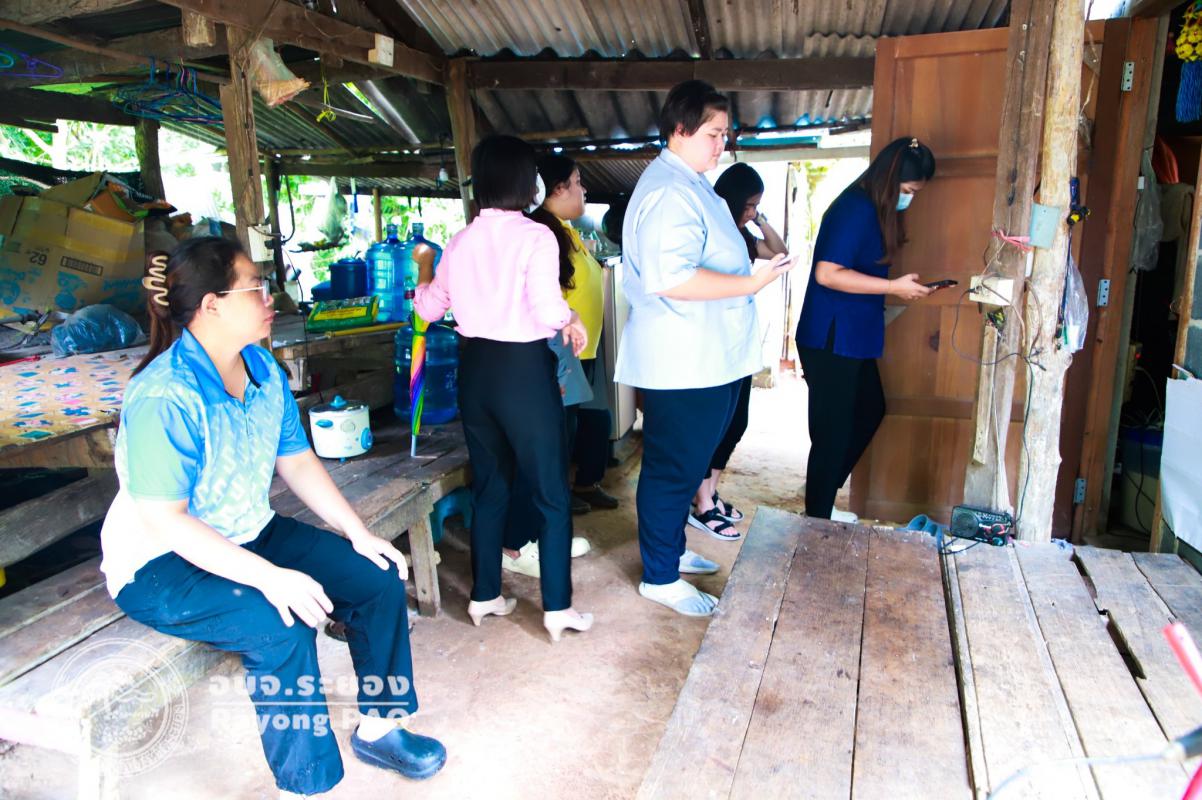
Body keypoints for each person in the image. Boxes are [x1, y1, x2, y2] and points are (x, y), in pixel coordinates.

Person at [101, 237, 445, 799]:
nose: (270, 299)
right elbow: (167, 520)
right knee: (280, 621)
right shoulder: (165, 395)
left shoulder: (261, 367)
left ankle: (381, 726)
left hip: (247, 531)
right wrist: (269, 577)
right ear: (212, 305)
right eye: (256, 288)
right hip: (161, 564)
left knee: (377, 575)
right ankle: (305, 786)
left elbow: (297, 459)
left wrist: (357, 533)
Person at [616, 80, 794, 617]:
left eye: (724, 134)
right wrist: (751, 283)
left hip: (705, 358)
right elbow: (672, 277)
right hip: (682, 360)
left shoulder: (689, 183)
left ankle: (669, 552)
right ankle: (659, 576)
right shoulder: (669, 192)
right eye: (713, 134)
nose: (722, 144)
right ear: (679, 129)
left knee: (689, 461)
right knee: (673, 468)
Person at [413, 134, 594, 643]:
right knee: (551, 492)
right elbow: (545, 306)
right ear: (526, 181)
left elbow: (428, 308)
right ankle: (557, 608)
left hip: (476, 372)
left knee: (490, 488)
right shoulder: (535, 236)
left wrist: (424, 269)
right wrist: (571, 318)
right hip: (522, 373)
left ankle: (485, 595)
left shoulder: (460, 240)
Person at [795, 136, 937, 522]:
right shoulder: (854, 208)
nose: (910, 199)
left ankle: (821, 498)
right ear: (890, 180)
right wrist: (893, 287)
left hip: (853, 337)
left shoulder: (874, 209)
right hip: (831, 337)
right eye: (908, 191)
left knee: (870, 409)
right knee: (832, 432)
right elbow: (827, 274)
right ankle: (817, 515)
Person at [687, 161, 788, 539]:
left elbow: (779, 252)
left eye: (756, 205)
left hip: (739, 344)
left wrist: (758, 219)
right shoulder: (711, 233)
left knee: (736, 422)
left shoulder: (741, 236)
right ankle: (702, 504)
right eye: (749, 205)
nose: (752, 211)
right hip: (713, 343)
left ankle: (709, 492)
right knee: (713, 426)